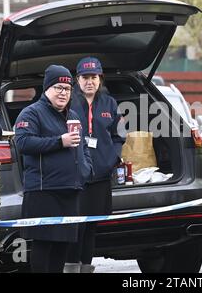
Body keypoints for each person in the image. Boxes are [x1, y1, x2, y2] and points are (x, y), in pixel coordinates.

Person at [14, 64, 93, 273]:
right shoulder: (30, 113)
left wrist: (85, 170)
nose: (63, 93)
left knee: (62, 247)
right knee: (43, 245)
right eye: (58, 87)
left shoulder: (73, 115)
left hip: (70, 192)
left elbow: (83, 146)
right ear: (46, 88)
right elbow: (23, 143)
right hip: (43, 192)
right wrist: (60, 141)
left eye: (67, 89)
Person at [64, 57, 126, 273]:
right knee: (75, 225)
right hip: (75, 176)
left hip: (100, 176)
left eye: (94, 77)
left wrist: (113, 158)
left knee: (91, 226)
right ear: (77, 80)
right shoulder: (68, 102)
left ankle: (86, 268)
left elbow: (119, 136)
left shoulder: (110, 103)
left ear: (100, 79)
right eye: (84, 77)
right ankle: (72, 268)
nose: (89, 81)